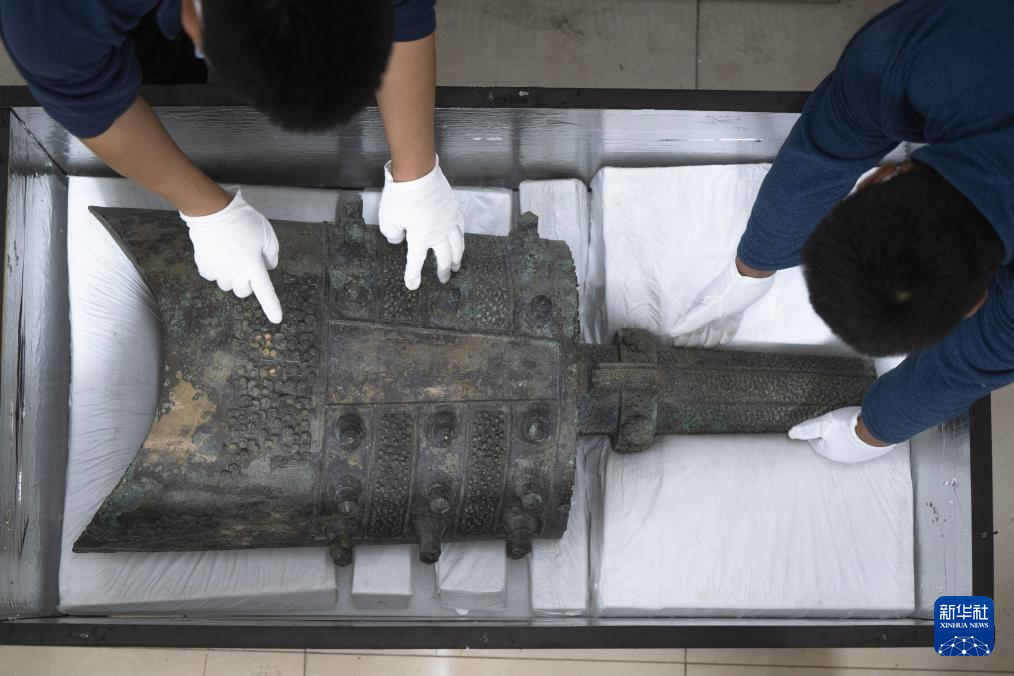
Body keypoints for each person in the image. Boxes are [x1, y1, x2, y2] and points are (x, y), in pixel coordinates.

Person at [669, 0, 1014, 463]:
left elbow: (979, 358)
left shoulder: (908, 59)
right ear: (876, 179)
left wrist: (875, 430)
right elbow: (823, 152)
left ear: (875, 177)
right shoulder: (907, 59)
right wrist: (753, 266)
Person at [0, 0, 464, 324]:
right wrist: (206, 209)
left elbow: (405, 13)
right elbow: (91, 98)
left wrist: (417, 171)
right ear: (194, 24)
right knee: (158, 74)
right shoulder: (50, 14)